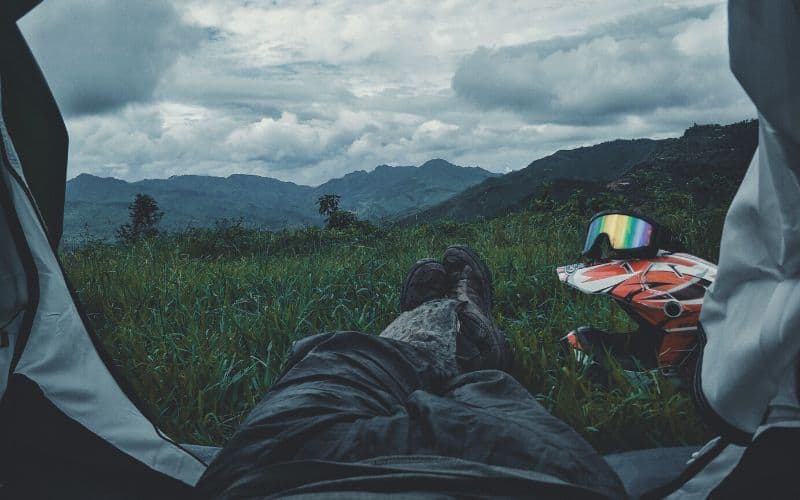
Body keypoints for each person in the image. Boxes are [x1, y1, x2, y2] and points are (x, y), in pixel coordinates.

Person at [197, 245, 627, 499]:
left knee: (337, 357)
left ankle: (433, 323)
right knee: (484, 386)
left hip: (273, 477)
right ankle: (461, 325)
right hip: (521, 477)